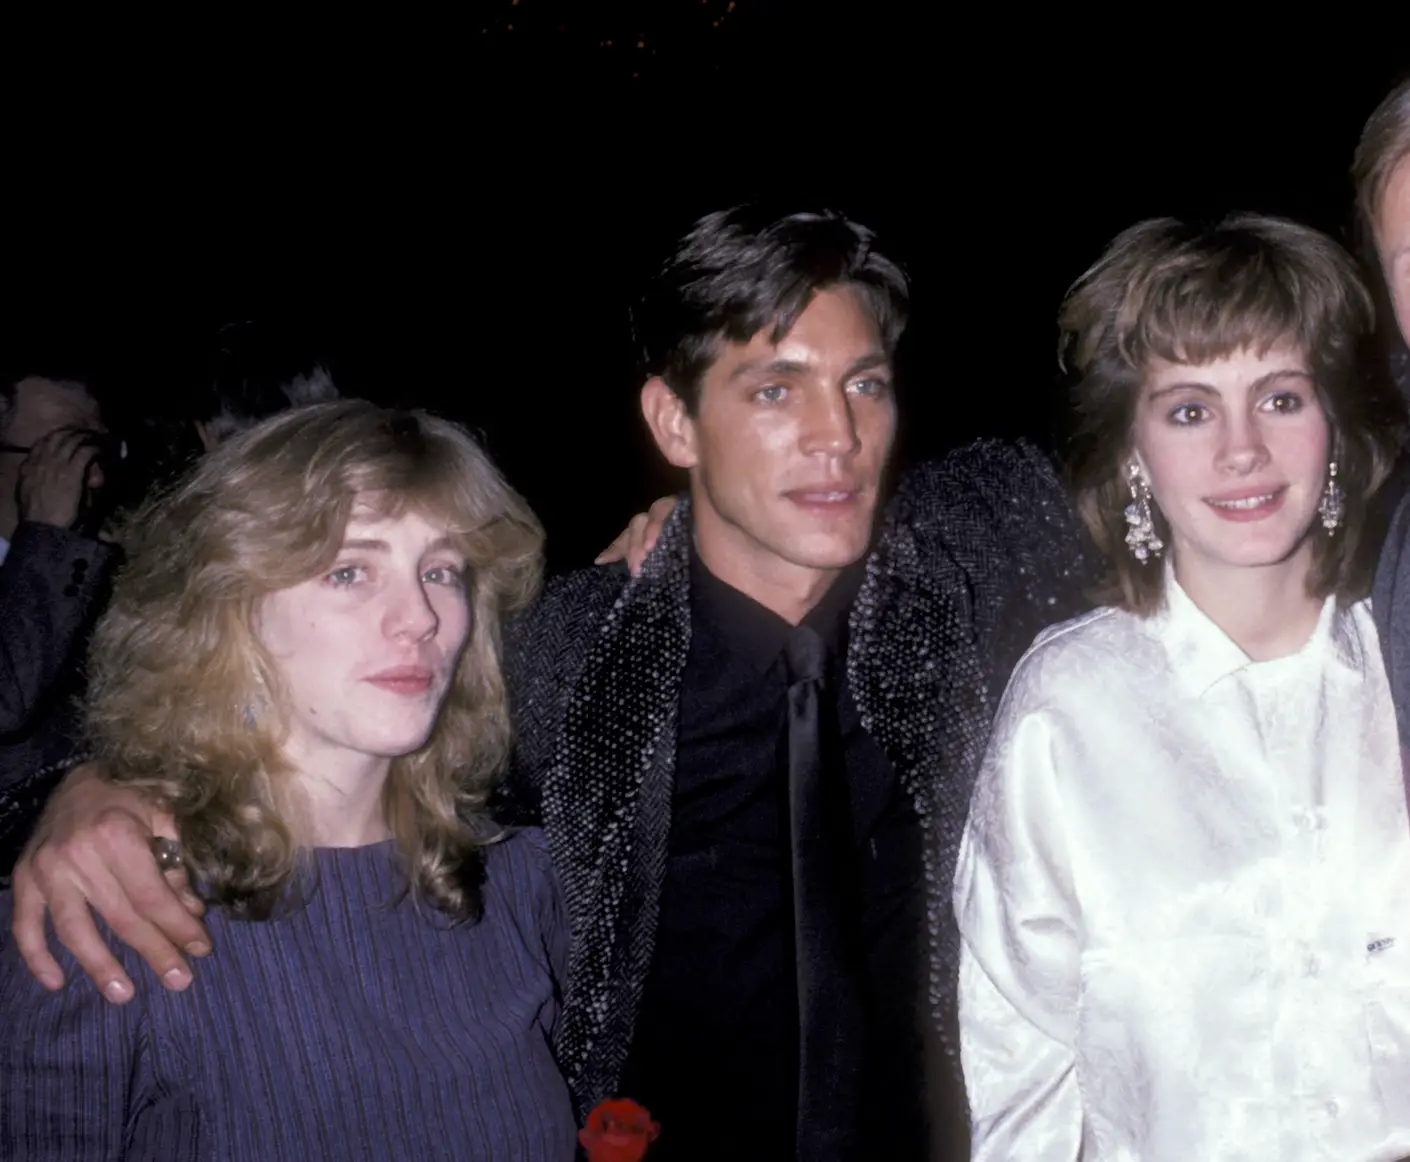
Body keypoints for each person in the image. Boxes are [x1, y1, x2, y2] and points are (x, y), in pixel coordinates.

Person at [7, 206, 1096, 1160]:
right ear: (676, 424)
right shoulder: (566, 653)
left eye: (865, 384)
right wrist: (90, 785)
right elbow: (292, 708)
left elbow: (1194, 462)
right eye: (776, 388)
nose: (838, 435)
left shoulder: (980, 546)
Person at [0, 400, 575, 1160]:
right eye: (348, 571)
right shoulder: (111, 905)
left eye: (441, 571)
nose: (420, 619)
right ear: (230, 611)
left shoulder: (522, 877)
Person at [954, 213, 1409, 1160]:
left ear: (1333, 425)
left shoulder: (1398, 661)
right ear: (1133, 451)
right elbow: (1020, 1077)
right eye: (1190, 410)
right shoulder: (1067, 714)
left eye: (1281, 399)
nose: (1241, 451)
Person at [0, 369, 121, 871]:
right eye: (61, 453)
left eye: (96, 453)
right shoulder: (56, 555)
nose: (89, 479)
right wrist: (44, 532)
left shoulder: (97, 561)